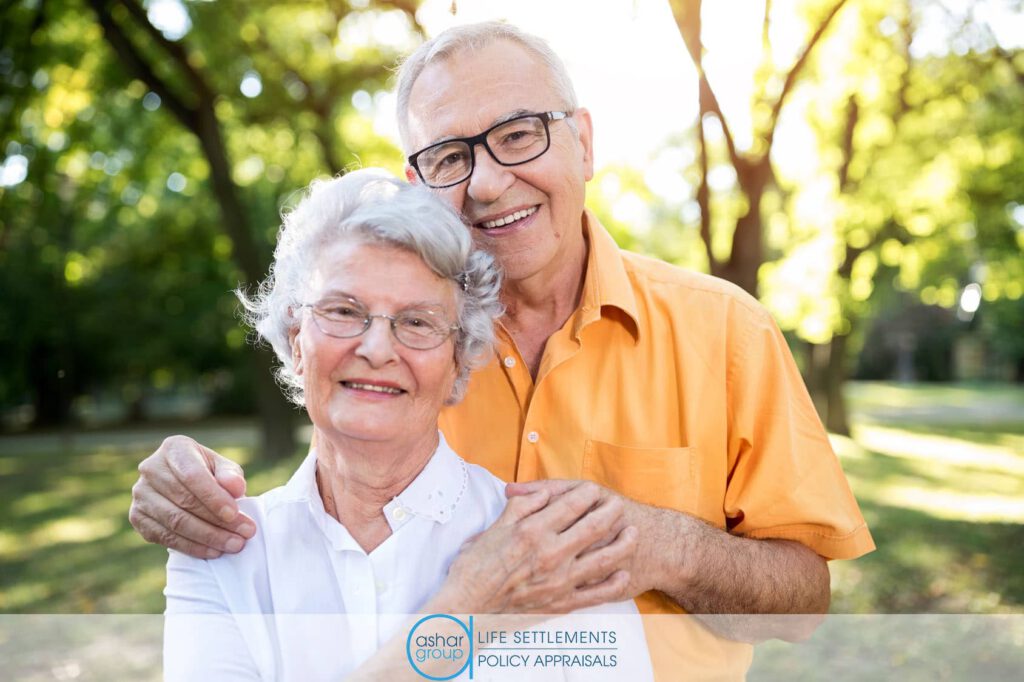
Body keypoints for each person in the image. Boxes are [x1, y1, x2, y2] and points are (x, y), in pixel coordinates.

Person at [135, 21, 874, 678]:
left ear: (583, 141)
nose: (488, 182)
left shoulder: (725, 332)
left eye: (519, 134)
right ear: (418, 183)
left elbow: (803, 604)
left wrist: (659, 547)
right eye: (450, 156)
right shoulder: (408, 352)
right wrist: (182, 484)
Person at [164, 168, 654, 681]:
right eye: (343, 310)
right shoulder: (221, 553)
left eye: (417, 322)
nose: (376, 349)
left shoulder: (552, 553)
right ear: (296, 337)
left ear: (459, 362)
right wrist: (464, 614)